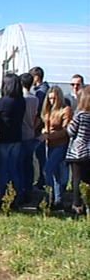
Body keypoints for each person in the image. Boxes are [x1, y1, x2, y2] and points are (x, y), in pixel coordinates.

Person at [0, 73, 26, 208]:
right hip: (17, 138)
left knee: (2, 169)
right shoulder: (21, 101)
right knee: (14, 168)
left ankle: (2, 196)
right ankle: (17, 196)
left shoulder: (3, 101)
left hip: (3, 139)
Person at [41, 86, 73, 210]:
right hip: (50, 144)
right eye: (50, 99)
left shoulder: (66, 110)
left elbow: (66, 131)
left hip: (60, 144)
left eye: (54, 98)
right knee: (56, 173)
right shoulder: (48, 110)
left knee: (47, 170)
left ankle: (49, 198)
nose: (52, 101)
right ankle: (58, 200)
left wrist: (49, 135)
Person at [66, 85, 90, 215]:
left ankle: (77, 205)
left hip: (77, 151)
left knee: (76, 179)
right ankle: (87, 202)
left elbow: (71, 131)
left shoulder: (80, 115)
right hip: (88, 150)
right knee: (87, 179)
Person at [18, 73, 40, 203]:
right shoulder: (35, 98)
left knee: (19, 165)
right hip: (31, 133)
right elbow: (38, 116)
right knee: (29, 163)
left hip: (21, 133)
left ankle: (20, 191)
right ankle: (29, 190)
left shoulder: (22, 99)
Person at [29, 66, 50, 190]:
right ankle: (42, 180)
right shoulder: (43, 89)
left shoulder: (40, 92)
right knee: (40, 155)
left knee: (40, 155)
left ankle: (43, 181)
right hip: (39, 126)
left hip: (39, 127)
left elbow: (39, 112)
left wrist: (33, 127)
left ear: (36, 77)